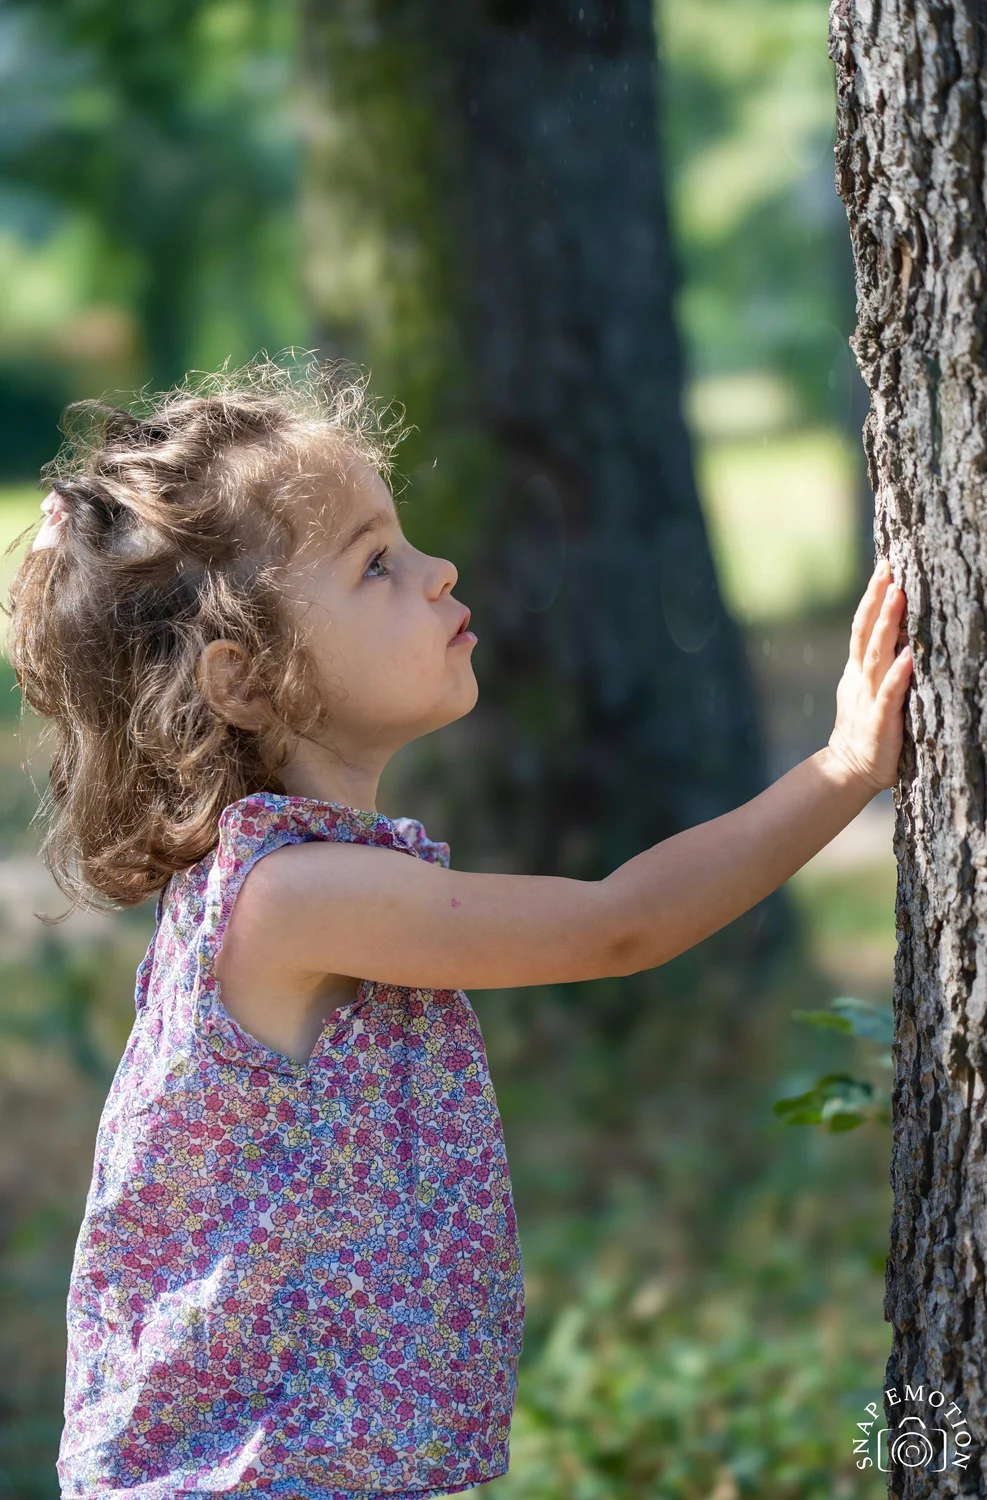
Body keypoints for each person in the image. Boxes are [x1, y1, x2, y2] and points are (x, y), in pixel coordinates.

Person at [5, 354, 913, 1500]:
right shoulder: (292, 898)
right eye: (375, 565)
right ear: (243, 680)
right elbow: (618, 927)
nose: (437, 573)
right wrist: (838, 770)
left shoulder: (298, 885)